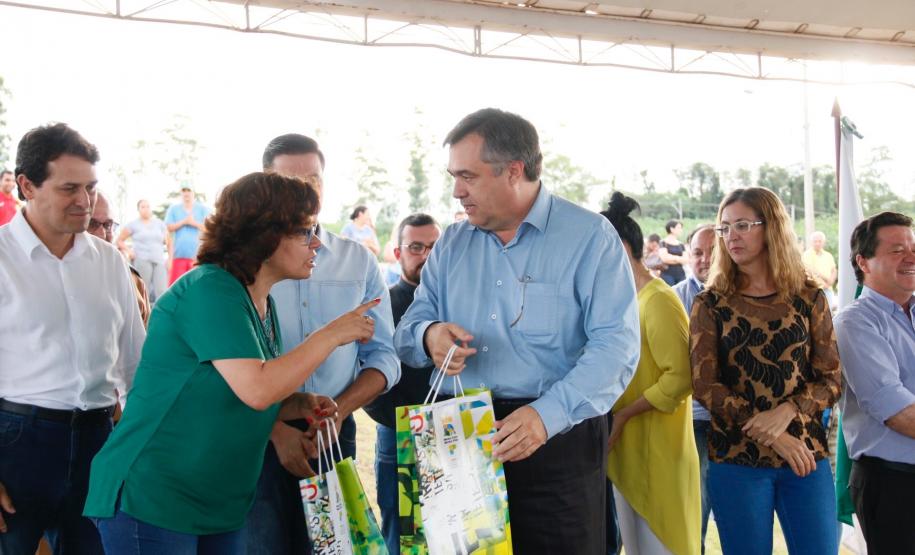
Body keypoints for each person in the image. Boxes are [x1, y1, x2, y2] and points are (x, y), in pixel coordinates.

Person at [83, 172, 376, 553]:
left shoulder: (259, 301)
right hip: (153, 496)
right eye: (304, 232)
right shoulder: (209, 289)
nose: (317, 242)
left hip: (215, 503)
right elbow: (257, 389)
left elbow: (233, 391)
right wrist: (332, 334)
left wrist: (296, 403)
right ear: (265, 236)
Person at [394, 108, 640, 553]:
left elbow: (616, 349)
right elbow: (409, 327)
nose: (457, 191)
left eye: (467, 176)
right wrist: (429, 335)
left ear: (514, 171)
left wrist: (546, 417)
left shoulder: (589, 237)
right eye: (453, 176)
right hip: (458, 439)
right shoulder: (451, 242)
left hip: (556, 441)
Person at [247, 133, 399, 554]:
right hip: (255, 437)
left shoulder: (357, 259)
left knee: (333, 548)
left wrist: (338, 413)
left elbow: (384, 356)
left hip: (333, 431)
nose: (305, 191)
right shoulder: (241, 263)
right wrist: (273, 429)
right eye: (290, 180)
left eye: (313, 179)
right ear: (265, 183)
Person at [0, 123, 145, 554]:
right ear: (27, 185)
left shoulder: (110, 263)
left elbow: (138, 366)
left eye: (91, 187)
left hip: (100, 441)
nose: (85, 201)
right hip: (17, 442)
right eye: (69, 188)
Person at [690, 186, 841, 555]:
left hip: (806, 457)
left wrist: (787, 413)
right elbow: (705, 386)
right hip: (737, 458)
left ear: (770, 226)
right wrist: (774, 435)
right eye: (725, 228)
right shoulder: (710, 303)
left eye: (742, 225)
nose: (731, 237)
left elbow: (832, 379)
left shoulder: (809, 296)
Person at [603, 192, 700, 555]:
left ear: (623, 248)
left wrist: (625, 415)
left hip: (659, 453)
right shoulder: (626, 302)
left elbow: (680, 378)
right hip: (630, 454)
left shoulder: (658, 300)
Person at [833, 211, 915, 554]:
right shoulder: (855, 323)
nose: (911, 256)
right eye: (897, 250)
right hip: (895, 484)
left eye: (913, 246)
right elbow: (897, 412)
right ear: (863, 262)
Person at [363, 213, 441, 554]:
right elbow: (367, 377)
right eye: (416, 247)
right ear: (397, 253)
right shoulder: (384, 306)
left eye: (434, 247)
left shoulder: (456, 303)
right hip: (397, 435)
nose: (425, 255)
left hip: (452, 434)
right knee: (401, 534)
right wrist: (406, 423)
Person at [672, 223, 715, 553]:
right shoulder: (675, 300)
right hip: (695, 421)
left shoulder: (748, 297)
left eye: (713, 251)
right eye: (698, 252)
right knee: (695, 511)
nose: (705, 259)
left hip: (744, 426)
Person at [91, 192, 151, 326]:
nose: (101, 233)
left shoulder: (133, 280)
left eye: (108, 225)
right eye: (92, 224)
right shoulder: (54, 273)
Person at [118, 199, 169, 303]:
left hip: (159, 260)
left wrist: (170, 259)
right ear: (138, 209)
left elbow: (169, 242)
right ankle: (142, 316)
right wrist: (129, 251)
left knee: (162, 291)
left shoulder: (159, 224)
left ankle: (159, 317)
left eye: (147, 206)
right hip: (142, 259)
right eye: (143, 207)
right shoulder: (133, 224)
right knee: (142, 290)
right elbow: (119, 240)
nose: (146, 209)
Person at [164, 184, 210, 284]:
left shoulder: (202, 209)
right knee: (177, 286)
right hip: (178, 255)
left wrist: (193, 223)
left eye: (188, 190)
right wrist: (184, 222)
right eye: (184, 190)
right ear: (181, 193)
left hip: (198, 257)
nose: (186, 193)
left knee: (196, 286)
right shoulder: (174, 209)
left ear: (193, 192)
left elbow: (209, 228)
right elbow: (168, 227)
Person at [802, 230, 838, 309]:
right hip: (813, 290)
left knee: (829, 313)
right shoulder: (806, 255)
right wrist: (823, 282)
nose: (817, 243)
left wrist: (830, 282)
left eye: (820, 241)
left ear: (823, 242)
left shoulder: (828, 255)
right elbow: (809, 272)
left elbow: (834, 270)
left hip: (828, 290)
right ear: (811, 242)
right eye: (815, 241)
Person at [658, 219, 688, 285]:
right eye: (679, 228)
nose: (681, 230)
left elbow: (686, 260)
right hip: (667, 274)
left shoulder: (681, 244)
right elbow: (664, 259)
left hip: (681, 275)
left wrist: (671, 257)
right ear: (671, 229)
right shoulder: (663, 242)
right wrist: (679, 259)